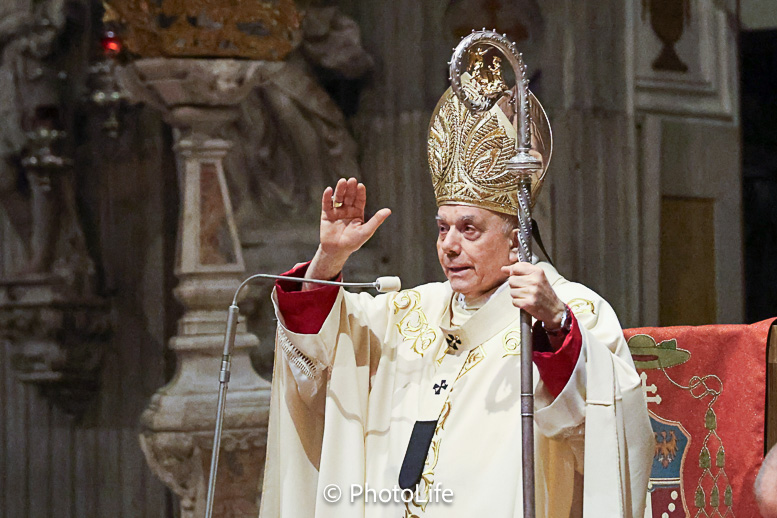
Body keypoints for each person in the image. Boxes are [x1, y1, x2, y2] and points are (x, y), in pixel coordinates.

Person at [258, 71, 653, 518]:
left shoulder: (571, 312)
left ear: (515, 238)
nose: (449, 245)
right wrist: (328, 262)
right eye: (443, 227)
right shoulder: (406, 313)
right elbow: (318, 356)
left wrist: (555, 327)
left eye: (469, 229)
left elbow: (607, 432)